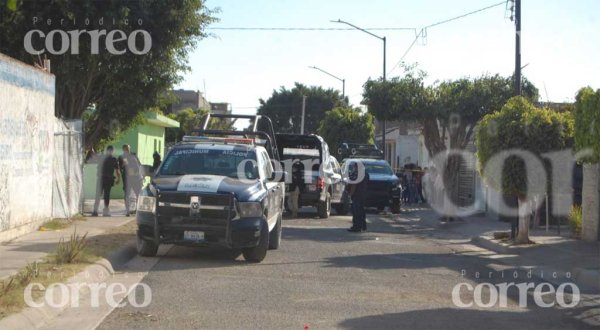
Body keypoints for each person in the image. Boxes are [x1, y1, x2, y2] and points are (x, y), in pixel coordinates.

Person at [92, 146, 120, 217]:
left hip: (101, 179)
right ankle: (106, 212)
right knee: (106, 195)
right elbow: (117, 171)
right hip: (109, 179)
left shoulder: (101, 157)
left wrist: (92, 151)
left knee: (98, 195)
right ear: (112, 151)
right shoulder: (114, 159)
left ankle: (95, 211)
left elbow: (94, 157)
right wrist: (118, 179)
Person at [118, 144, 143, 216]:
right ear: (123, 149)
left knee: (138, 194)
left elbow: (139, 165)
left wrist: (140, 174)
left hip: (136, 178)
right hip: (127, 179)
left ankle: (137, 210)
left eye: (128, 148)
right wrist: (124, 164)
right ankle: (127, 211)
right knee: (127, 195)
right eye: (126, 149)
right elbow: (120, 168)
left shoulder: (134, 155)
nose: (127, 150)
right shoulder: (121, 157)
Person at [347, 162, 369, 232]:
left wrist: (350, 194)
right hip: (363, 194)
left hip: (357, 195)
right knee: (361, 211)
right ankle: (363, 226)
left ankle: (356, 227)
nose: (354, 168)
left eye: (355, 167)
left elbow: (354, 185)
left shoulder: (358, 174)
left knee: (356, 211)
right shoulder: (366, 174)